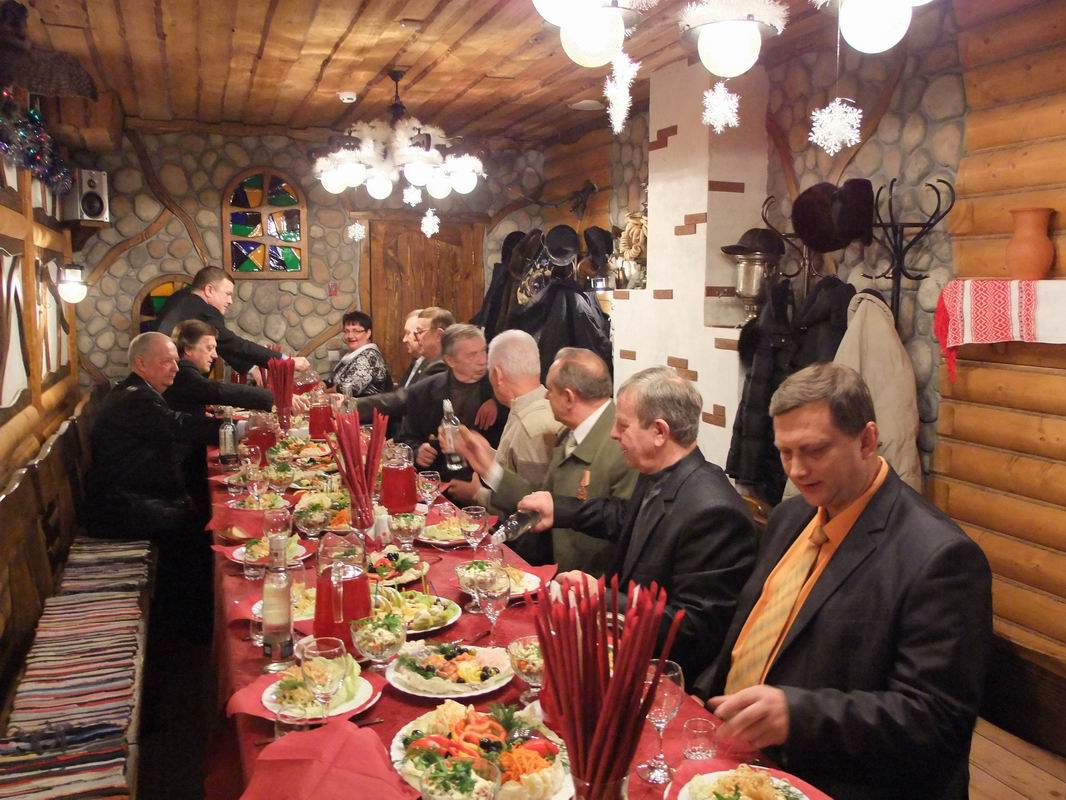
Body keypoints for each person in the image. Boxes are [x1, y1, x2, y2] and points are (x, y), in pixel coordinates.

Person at [693, 363, 993, 800]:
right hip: (744, 757)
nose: (796, 470)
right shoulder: (792, 517)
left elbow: (936, 720)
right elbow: (749, 636)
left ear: (867, 440)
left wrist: (798, 716)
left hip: (839, 778)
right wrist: (702, 697)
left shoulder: (940, 557)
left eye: (814, 450)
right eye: (785, 452)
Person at [516, 367, 756, 678]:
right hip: (623, 646)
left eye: (623, 425)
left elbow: (692, 628)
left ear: (659, 432)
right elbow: (626, 518)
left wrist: (602, 599)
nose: (614, 434)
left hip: (662, 674)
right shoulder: (658, 470)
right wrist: (559, 509)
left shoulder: (714, 513)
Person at [456, 347, 636, 572]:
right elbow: (545, 502)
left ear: (569, 397)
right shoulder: (572, 432)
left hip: (591, 584)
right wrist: (489, 468)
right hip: (558, 576)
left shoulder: (622, 445)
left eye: (550, 389)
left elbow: (626, 525)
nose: (545, 396)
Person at [447, 331, 562, 541]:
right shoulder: (531, 405)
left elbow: (532, 506)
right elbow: (513, 465)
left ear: (498, 375)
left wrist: (477, 494)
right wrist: (484, 451)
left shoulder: (532, 425)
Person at [163, 319, 276, 525]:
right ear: (188, 349)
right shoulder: (182, 372)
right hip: (180, 471)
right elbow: (216, 391)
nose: (215, 355)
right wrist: (272, 399)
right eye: (209, 348)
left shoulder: (186, 372)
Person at [155, 265, 311, 375]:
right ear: (209, 290)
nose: (230, 301)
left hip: (157, 374)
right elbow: (233, 343)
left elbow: (223, 345)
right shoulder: (206, 310)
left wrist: (251, 368)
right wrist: (286, 361)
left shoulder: (181, 298)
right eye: (227, 294)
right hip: (174, 383)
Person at [398, 324, 505, 475]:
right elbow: (405, 437)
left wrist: (497, 402)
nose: (482, 360)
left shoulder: (501, 388)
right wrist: (417, 451)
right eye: (472, 355)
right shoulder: (422, 391)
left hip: (485, 480)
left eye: (483, 351)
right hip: (441, 478)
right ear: (450, 360)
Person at [354, 306, 452, 422]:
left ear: (439, 335)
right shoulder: (425, 361)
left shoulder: (440, 365)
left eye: (420, 332)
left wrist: (353, 404)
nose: (417, 338)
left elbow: (407, 398)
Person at [328, 310, 393, 398]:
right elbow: (333, 379)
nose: (350, 336)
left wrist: (323, 393)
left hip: (368, 406)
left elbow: (349, 389)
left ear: (368, 333)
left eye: (356, 331)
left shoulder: (369, 357)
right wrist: (323, 384)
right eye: (346, 331)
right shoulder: (351, 355)